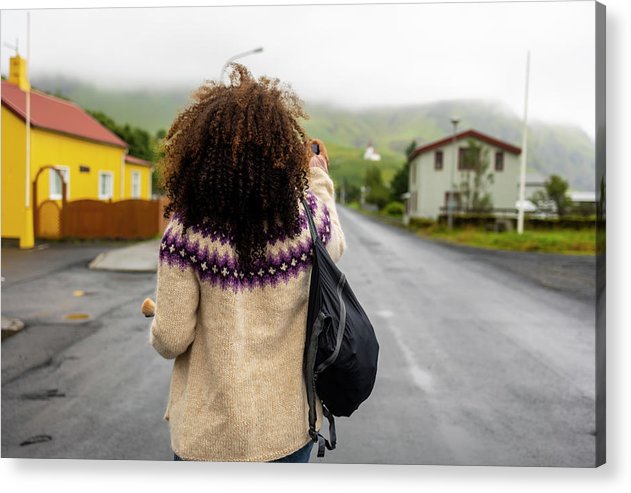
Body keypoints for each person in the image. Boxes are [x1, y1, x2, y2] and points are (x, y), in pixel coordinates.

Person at [149, 64, 346, 462]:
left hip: (207, 442)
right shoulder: (306, 220)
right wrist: (319, 177)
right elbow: (335, 242)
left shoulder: (186, 232)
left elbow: (171, 339)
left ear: (199, 154)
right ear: (280, 155)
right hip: (288, 433)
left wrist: (158, 321)